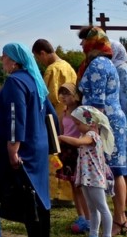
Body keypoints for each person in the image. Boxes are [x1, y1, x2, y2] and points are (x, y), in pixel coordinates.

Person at [0, 42, 57, 237]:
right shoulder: (34, 80)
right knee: (39, 196)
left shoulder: (15, 82)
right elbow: (50, 113)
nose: (1, 60)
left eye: (3, 56)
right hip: (38, 145)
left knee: (30, 198)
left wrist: (13, 147)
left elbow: (15, 115)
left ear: (13, 61)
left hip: (24, 149)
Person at [79, 27, 127, 231]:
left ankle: (115, 221)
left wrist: (91, 133)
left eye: (84, 41)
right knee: (116, 171)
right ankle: (116, 219)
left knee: (112, 171)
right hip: (110, 121)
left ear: (93, 43)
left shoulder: (98, 64)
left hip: (104, 124)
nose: (81, 45)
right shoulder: (107, 63)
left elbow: (97, 104)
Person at [60, 106, 115, 237]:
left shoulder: (92, 135)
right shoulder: (84, 134)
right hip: (87, 177)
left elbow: (79, 143)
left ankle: (106, 234)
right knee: (92, 209)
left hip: (94, 178)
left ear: (90, 122)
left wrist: (61, 137)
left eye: (78, 123)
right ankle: (93, 233)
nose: (77, 126)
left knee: (102, 208)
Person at [57, 84, 91, 235]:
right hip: (67, 151)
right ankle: (81, 217)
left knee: (81, 186)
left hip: (79, 151)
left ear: (75, 95)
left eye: (67, 93)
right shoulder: (63, 113)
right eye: (61, 93)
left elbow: (89, 129)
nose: (64, 97)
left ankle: (90, 219)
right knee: (73, 185)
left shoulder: (83, 111)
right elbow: (62, 131)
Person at [32, 38, 78, 108]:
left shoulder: (52, 70)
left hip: (58, 115)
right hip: (71, 112)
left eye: (38, 58)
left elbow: (49, 98)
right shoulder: (68, 66)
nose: (39, 61)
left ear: (42, 53)